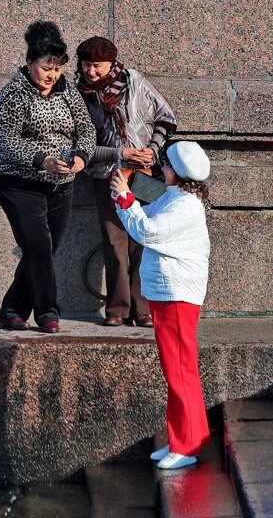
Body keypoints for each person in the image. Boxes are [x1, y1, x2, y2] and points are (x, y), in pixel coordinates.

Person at [110, 141, 212, 470]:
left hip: (177, 296)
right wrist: (123, 195)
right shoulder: (174, 197)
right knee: (176, 370)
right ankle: (182, 438)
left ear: (178, 173)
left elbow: (147, 232)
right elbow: (141, 218)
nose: (162, 169)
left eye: (166, 165)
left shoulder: (186, 206)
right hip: (168, 294)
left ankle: (187, 445)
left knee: (180, 370)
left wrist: (125, 197)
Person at [0, 21, 97, 334]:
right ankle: (48, 313)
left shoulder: (69, 92)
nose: (52, 75)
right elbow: (7, 140)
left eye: (57, 68)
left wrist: (81, 157)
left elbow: (86, 129)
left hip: (61, 184)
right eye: (46, 67)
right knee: (37, 245)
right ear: (29, 63)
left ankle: (12, 311)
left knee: (45, 249)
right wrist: (42, 160)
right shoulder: (13, 95)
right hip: (19, 182)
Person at [75, 36, 176, 328]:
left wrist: (152, 149)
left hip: (143, 173)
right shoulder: (79, 95)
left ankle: (142, 307)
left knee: (142, 238)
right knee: (114, 239)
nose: (91, 71)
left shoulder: (134, 81)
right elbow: (81, 146)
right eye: (86, 64)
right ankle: (117, 308)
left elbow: (166, 117)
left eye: (97, 65)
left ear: (112, 63)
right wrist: (120, 152)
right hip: (107, 174)